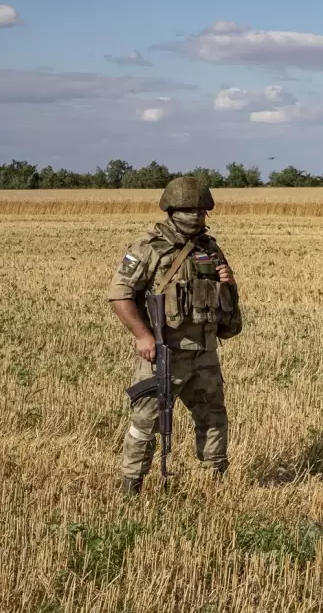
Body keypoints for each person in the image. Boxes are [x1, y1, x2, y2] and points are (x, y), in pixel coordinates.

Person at [106, 176, 242, 495]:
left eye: (200, 209)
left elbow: (228, 310)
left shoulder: (209, 248)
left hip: (204, 352)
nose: (195, 214)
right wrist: (142, 336)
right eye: (187, 208)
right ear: (171, 209)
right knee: (146, 424)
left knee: (213, 419)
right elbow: (120, 293)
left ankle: (216, 483)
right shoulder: (149, 245)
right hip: (165, 351)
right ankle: (131, 487)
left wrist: (228, 282)